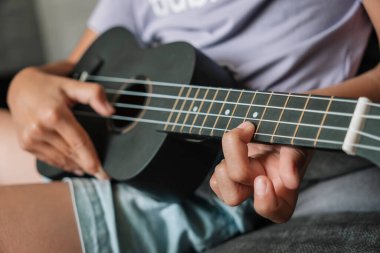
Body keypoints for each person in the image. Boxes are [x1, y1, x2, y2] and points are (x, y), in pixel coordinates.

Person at [0, 0, 380, 252]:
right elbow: (76, 66)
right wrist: (26, 85)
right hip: (104, 142)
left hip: (205, 177)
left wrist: (296, 119)